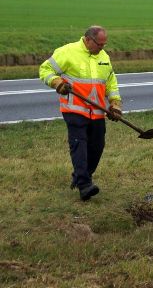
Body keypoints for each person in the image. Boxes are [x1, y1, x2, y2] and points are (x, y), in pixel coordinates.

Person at [39, 26, 122, 201]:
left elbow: (111, 83)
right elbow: (45, 70)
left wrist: (114, 104)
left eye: (104, 44)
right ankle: (84, 185)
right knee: (79, 146)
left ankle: (79, 176)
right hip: (74, 110)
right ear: (88, 39)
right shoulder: (68, 52)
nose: (102, 48)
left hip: (97, 111)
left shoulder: (104, 57)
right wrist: (57, 83)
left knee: (97, 147)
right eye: (100, 44)